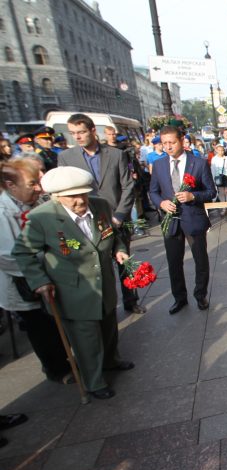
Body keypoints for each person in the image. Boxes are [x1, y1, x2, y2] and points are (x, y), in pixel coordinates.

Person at [13, 167, 136, 400]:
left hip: (104, 284)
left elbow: (113, 235)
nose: (80, 200)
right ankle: (94, 381)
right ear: (56, 196)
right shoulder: (42, 217)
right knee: (86, 339)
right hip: (72, 291)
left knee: (109, 327)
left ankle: (111, 360)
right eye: (72, 196)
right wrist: (39, 281)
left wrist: (119, 251)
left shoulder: (100, 206)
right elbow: (22, 252)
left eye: (83, 194)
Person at [58, 113, 145, 314]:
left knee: (124, 261)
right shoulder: (66, 158)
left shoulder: (115, 155)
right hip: (86, 221)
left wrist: (120, 215)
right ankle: (101, 305)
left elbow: (128, 187)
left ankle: (131, 300)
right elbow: (64, 192)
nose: (77, 137)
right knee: (96, 265)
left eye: (81, 132)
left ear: (92, 131)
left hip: (115, 218)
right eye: (73, 133)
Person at [0, 159, 71, 382]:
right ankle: (57, 369)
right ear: (12, 186)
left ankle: (68, 360)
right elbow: (7, 256)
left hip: (51, 275)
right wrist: (43, 266)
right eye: (32, 184)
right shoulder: (3, 213)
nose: (38, 188)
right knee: (41, 329)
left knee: (56, 322)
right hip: (24, 283)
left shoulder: (36, 202)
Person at [149, 125, 216, 314]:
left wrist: (193, 196)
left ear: (182, 140)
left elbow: (211, 192)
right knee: (173, 261)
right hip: (170, 221)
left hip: (193, 219)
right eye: (164, 143)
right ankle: (179, 298)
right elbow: (153, 191)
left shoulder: (199, 163)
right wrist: (161, 203)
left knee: (200, 259)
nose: (168, 147)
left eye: (172, 142)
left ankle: (200, 294)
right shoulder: (160, 164)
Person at [211, 144, 227, 214]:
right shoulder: (214, 159)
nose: (221, 152)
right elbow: (213, 170)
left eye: (222, 150)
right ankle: (224, 209)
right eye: (219, 150)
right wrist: (213, 179)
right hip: (218, 178)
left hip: (226, 177)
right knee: (221, 194)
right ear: (216, 151)